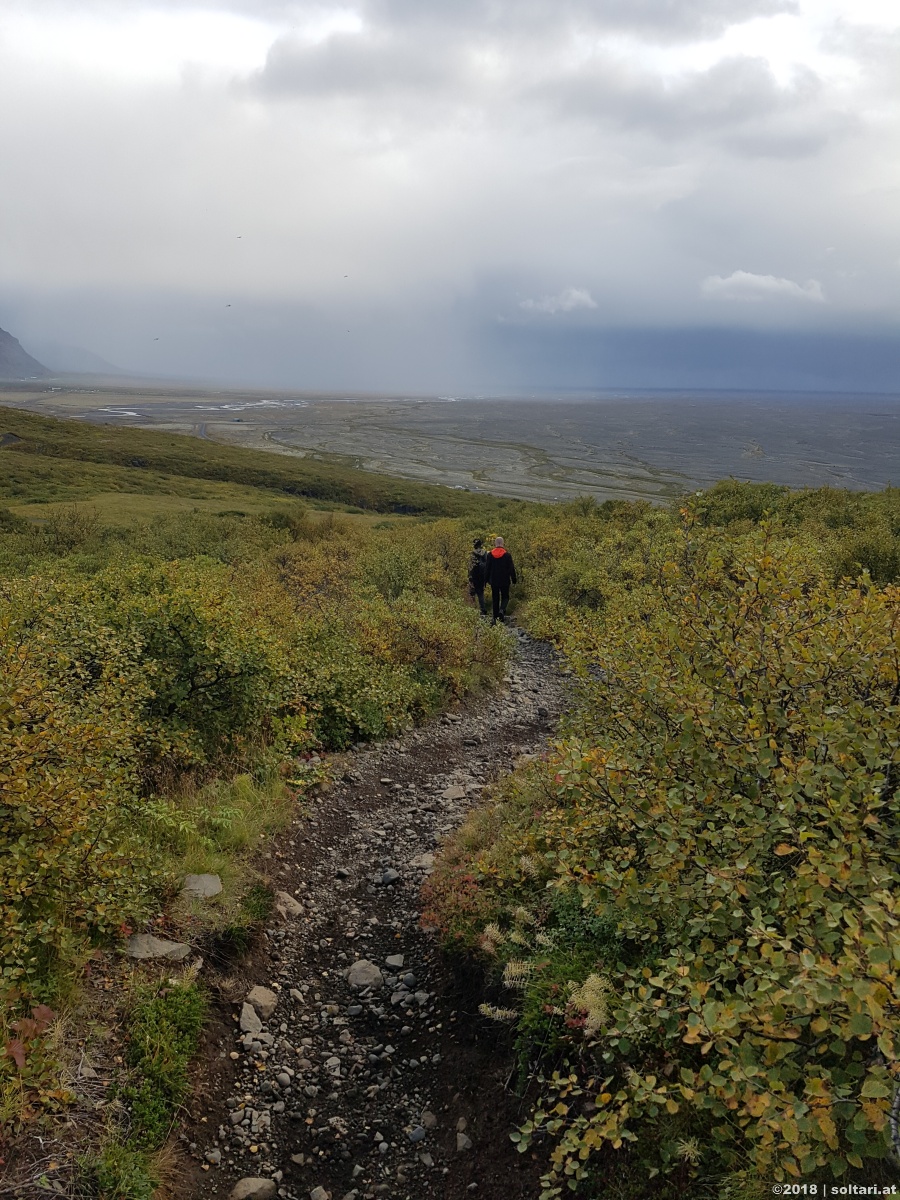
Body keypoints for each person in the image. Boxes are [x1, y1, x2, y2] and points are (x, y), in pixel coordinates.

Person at [484, 536, 517, 625]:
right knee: (505, 597)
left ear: (495, 544)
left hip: (494, 581)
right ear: (503, 543)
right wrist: (514, 579)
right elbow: (511, 568)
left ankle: (495, 618)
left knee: (495, 598)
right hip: (505, 580)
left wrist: (485, 580)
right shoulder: (507, 555)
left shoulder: (490, 555)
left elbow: (487, 568)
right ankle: (502, 610)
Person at [468, 538, 488, 615]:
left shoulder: (472, 553)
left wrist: (469, 576)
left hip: (474, 575)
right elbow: (487, 563)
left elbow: (470, 565)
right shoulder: (485, 552)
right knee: (480, 592)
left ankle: (473, 610)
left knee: (472, 592)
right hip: (482, 575)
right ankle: (483, 609)